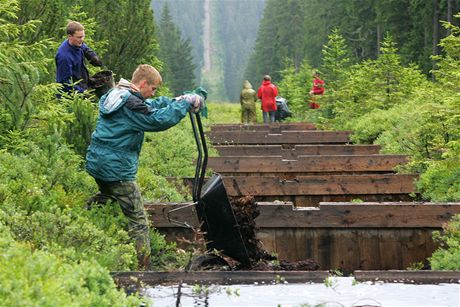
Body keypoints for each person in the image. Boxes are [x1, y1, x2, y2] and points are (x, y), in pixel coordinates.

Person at [85, 64, 205, 270]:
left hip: (98, 163)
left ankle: (82, 220)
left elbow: (148, 105)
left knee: (108, 196)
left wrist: (176, 100)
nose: (154, 93)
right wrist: (184, 106)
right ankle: (143, 269)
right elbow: (156, 119)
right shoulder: (131, 104)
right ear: (142, 84)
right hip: (117, 170)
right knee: (138, 220)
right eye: (153, 88)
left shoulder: (117, 94)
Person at [55, 21, 103, 94]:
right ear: (69, 36)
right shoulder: (64, 57)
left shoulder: (75, 43)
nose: (82, 39)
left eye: (83, 36)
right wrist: (83, 92)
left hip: (81, 84)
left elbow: (84, 47)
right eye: (79, 37)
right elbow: (65, 83)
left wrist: (92, 55)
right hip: (68, 97)